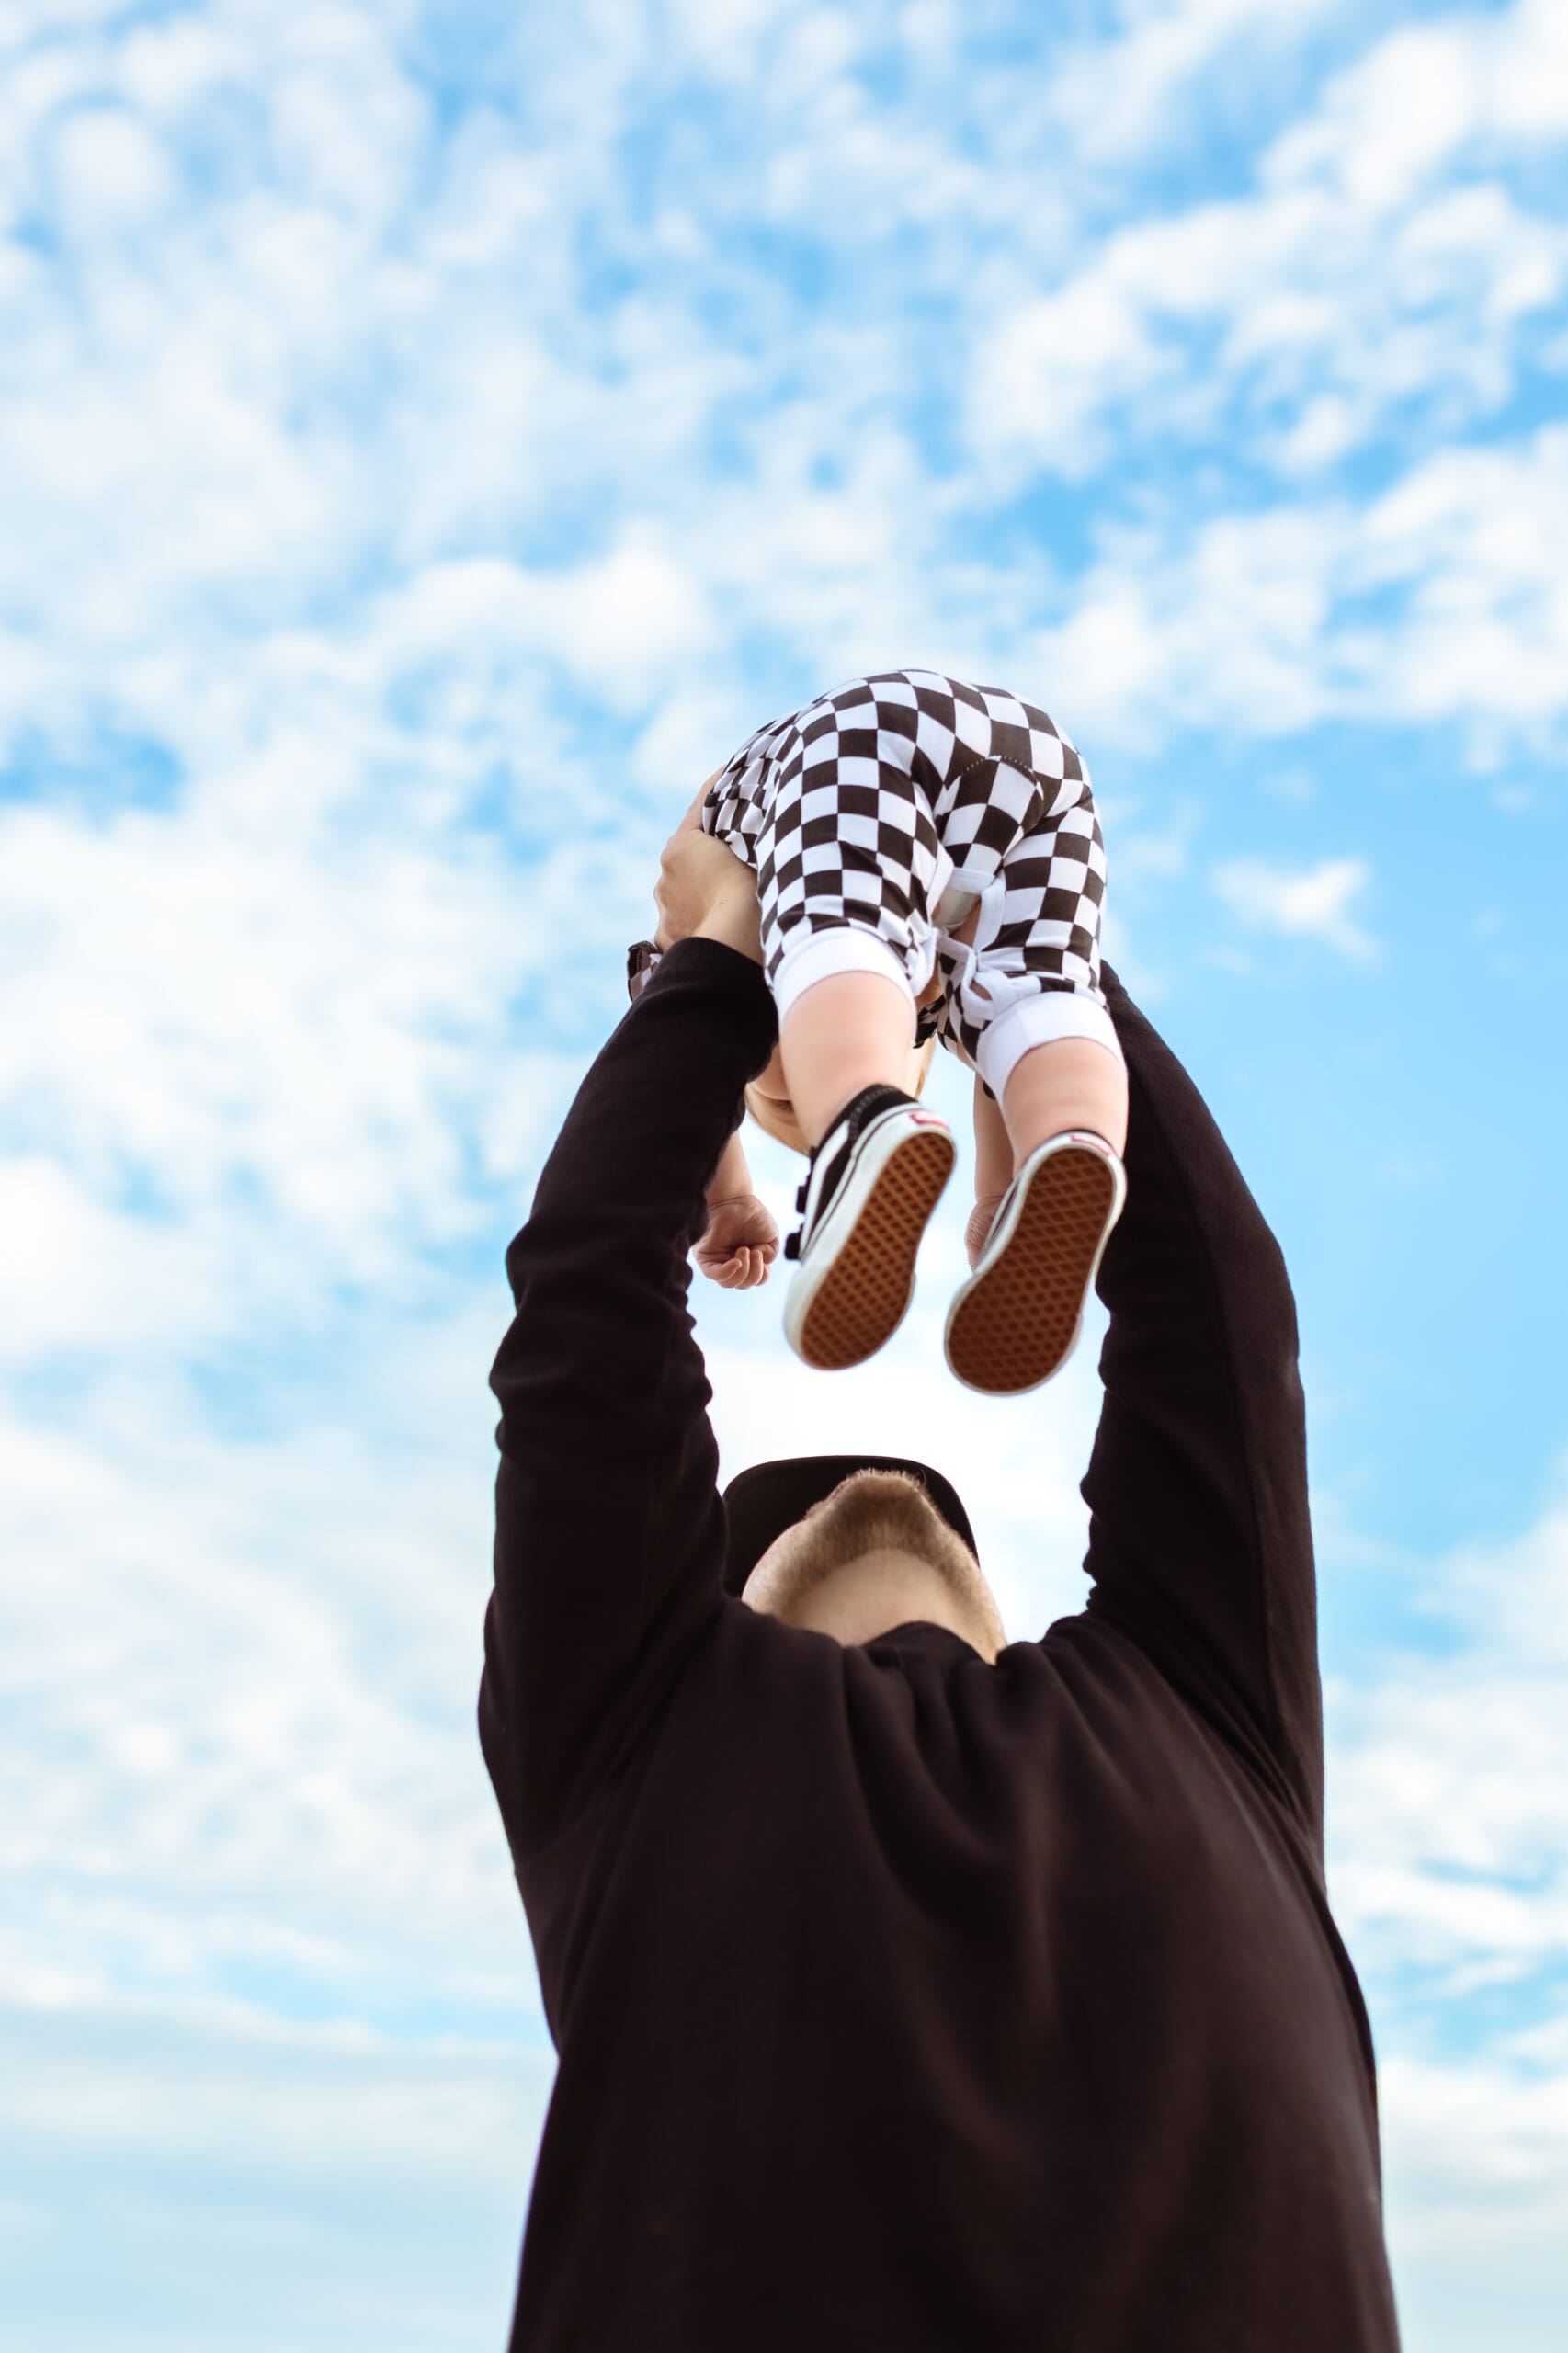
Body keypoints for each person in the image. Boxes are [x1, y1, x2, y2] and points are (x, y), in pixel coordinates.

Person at [478, 820, 1403, 2353]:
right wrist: (920, 945)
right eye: (795, 1507)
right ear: (721, 1616)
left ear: (999, 1619)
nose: (866, 1487)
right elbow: (1217, 1308)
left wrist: (900, 945)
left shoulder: (1192, 1716)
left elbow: (587, 1278)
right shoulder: (645, 1745)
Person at [626, 670, 1130, 1393]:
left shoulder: (709, 923)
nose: (802, 1092)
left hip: (867, 728)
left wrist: (727, 1199)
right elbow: (993, 1083)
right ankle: (1075, 1139)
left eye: (791, 1096)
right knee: (1035, 998)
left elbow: (682, 1076)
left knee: (841, 931)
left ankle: (867, 1119)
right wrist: (1001, 1202)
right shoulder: (938, 980)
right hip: (1046, 762)